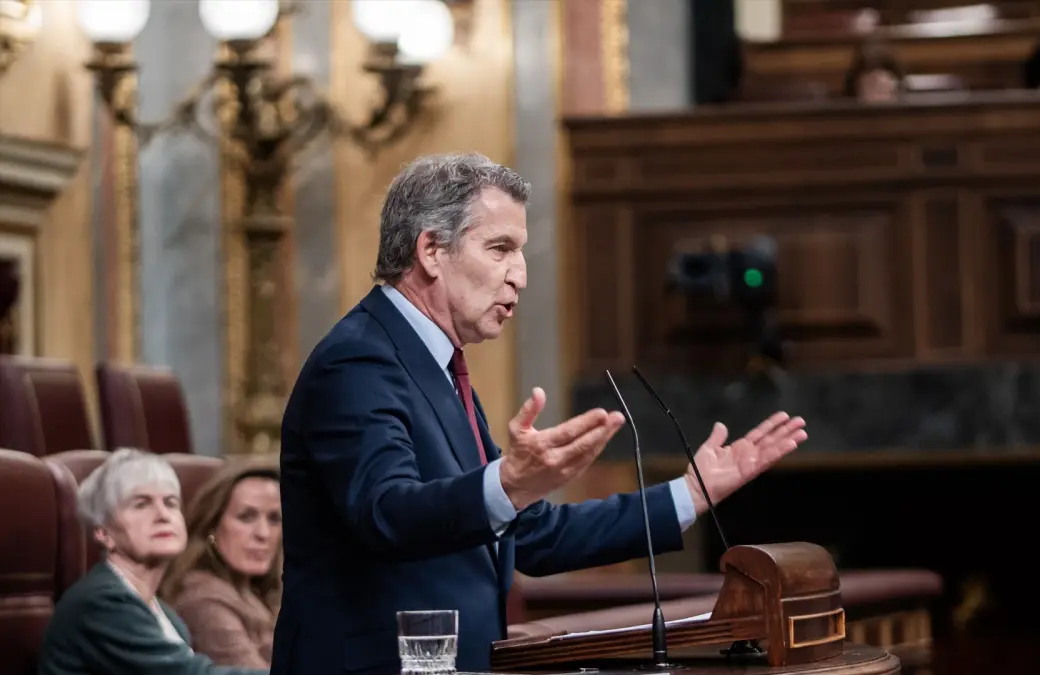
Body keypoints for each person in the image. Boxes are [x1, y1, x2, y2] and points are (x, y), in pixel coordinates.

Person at [271, 152, 809, 675]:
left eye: (520, 252)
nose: (520, 276)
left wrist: (688, 495)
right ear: (431, 250)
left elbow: (529, 536)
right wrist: (507, 483)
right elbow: (385, 513)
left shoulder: (436, 366)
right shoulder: (358, 360)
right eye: (500, 249)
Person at [39, 449, 266, 675]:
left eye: (171, 503)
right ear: (104, 532)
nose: (163, 515)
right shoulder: (102, 603)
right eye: (141, 504)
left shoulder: (165, 615)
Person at [161, 462, 283, 668]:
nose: (263, 533)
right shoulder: (203, 600)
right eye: (246, 517)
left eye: (274, 519)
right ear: (212, 525)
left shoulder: (264, 589)